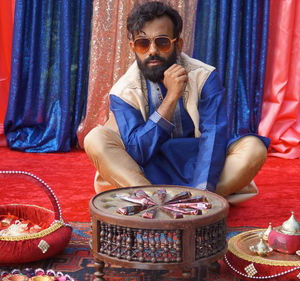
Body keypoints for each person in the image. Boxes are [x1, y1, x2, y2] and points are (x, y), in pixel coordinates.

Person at [84, 1, 269, 203]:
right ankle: (153, 201)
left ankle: (196, 201)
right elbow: (138, 152)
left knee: (253, 148)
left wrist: (202, 190)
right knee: (95, 139)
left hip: (202, 167)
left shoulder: (204, 76)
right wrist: (172, 97)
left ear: (177, 45)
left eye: (162, 42)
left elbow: (214, 136)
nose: (152, 51)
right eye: (143, 44)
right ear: (133, 48)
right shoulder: (123, 91)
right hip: (146, 172)